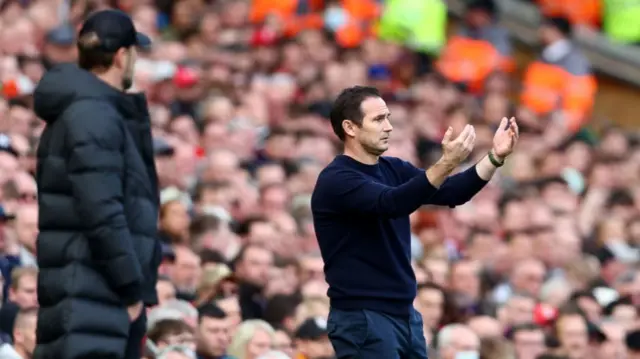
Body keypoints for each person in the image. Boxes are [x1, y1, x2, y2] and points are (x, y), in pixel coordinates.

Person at [311, 86, 519, 358]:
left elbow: (452, 191)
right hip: (364, 316)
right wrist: (446, 163)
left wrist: (495, 157)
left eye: (388, 117)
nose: (388, 127)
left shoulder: (393, 168)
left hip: (405, 315)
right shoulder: (337, 179)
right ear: (350, 127)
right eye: (378, 120)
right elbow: (394, 203)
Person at [32, 9, 161, 359]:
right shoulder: (93, 114)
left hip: (90, 293)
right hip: (95, 296)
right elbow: (102, 210)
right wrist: (130, 289)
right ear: (122, 56)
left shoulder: (89, 109)